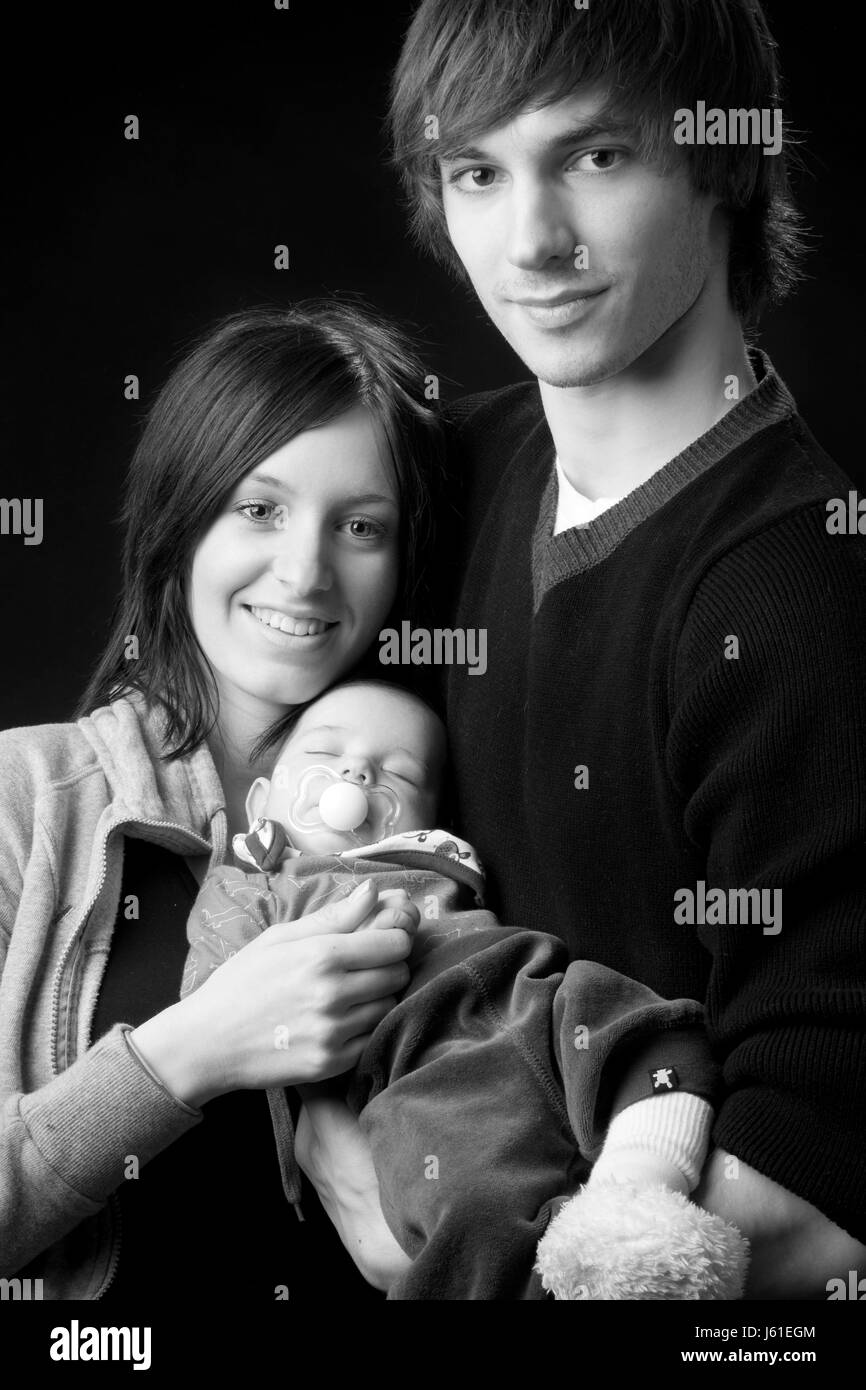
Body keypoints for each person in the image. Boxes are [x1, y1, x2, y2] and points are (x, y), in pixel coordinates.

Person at [383, 0, 866, 1297]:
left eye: (593, 157)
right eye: (477, 172)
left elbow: (816, 1183)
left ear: (721, 161)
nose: (531, 243)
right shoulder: (449, 472)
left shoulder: (801, 591)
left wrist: (408, 1237)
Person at [0, 300, 444, 1300]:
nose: (304, 570)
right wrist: (194, 1047)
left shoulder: (439, 823)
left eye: (359, 525)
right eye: (258, 508)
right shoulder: (26, 799)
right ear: (180, 515)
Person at [182, 676, 748, 1299]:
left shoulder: (438, 861)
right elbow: (212, 1007)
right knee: (471, 1202)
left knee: (650, 1033)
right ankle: (589, 1272)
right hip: (418, 1061)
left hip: (519, 981)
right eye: (325, 754)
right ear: (261, 799)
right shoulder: (255, 885)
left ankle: (635, 1194)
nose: (358, 774)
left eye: (398, 773)